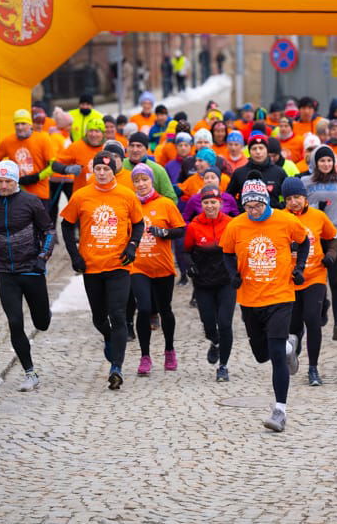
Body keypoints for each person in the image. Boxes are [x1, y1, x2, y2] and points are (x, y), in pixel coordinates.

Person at [220, 171, 309, 431]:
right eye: (249, 206)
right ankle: (289, 347)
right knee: (261, 355)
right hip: (250, 298)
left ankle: (280, 410)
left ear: (267, 202)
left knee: (276, 356)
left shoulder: (285, 221)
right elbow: (226, 253)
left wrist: (299, 268)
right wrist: (233, 275)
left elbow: (303, 243)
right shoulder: (236, 225)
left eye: (258, 205)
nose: (254, 210)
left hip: (280, 295)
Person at [60, 151, 144, 390]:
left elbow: (139, 223)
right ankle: (109, 338)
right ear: (93, 171)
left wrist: (132, 245)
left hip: (119, 265)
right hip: (92, 266)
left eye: (107, 169)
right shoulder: (81, 196)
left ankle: (116, 367)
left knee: (118, 315)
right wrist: (74, 255)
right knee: (99, 317)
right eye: (99, 169)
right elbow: (66, 226)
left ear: (114, 170)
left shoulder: (127, 195)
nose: (103, 173)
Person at [0, 161, 55, 391]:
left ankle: (44, 313)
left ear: (16, 181)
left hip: (31, 269)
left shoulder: (30, 202)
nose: (4, 185)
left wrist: (42, 257)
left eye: (8, 181)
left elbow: (49, 230)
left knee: (42, 323)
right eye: (0, 181)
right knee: (15, 322)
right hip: (6, 272)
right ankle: (30, 372)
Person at [128, 164, 186, 376]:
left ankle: (169, 349)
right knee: (143, 309)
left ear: (151, 181)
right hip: (138, 266)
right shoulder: (130, 204)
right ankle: (145, 356)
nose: (141, 184)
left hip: (162, 266)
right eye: (137, 180)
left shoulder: (165, 204)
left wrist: (164, 232)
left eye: (145, 180)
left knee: (165, 310)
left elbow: (180, 230)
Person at [283, 178, 337, 386]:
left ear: (305, 198)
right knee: (294, 326)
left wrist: (330, 256)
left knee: (312, 320)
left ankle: (313, 368)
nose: (294, 202)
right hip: (290, 279)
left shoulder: (318, 216)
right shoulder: (280, 219)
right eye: (289, 198)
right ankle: (292, 352)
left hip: (315, 275)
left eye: (297, 197)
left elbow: (333, 238)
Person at [185, 184, 236, 381]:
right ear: (201, 204)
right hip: (203, 282)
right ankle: (214, 341)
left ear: (221, 203)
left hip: (226, 281)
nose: (210, 206)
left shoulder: (231, 224)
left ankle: (223, 366)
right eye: (206, 202)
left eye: (213, 202)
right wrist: (189, 265)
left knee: (225, 323)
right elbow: (186, 251)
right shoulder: (194, 226)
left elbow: (239, 249)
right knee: (209, 324)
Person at [302, 145, 337, 341]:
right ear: (315, 162)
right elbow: (299, 203)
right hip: (313, 236)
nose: (326, 164)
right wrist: (315, 207)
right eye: (322, 160)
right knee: (316, 279)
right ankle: (323, 307)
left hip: (336, 235)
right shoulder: (306, 181)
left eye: (329, 160)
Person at [0, 109, 55, 210]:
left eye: (23, 123)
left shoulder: (43, 139)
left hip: (40, 193)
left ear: (30, 125)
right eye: (17, 124)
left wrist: (37, 177)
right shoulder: (8, 141)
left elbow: (54, 165)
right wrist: (4, 176)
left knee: (40, 225)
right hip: (16, 193)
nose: (20, 127)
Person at [226, 132, 287, 209]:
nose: (258, 152)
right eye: (254, 148)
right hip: (246, 217)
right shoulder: (239, 173)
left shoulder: (279, 172)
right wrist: (238, 210)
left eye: (261, 148)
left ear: (267, 150)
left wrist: (279, 208)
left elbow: (289, 195)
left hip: (273, 217)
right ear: (249, 152)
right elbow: (228, 197)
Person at [122, 132, 178, 203]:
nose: (135, 150)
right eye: (132, 146)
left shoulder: (158, 170)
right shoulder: (120, 166)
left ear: (146, 149)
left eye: (139, 146)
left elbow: (171, 198)